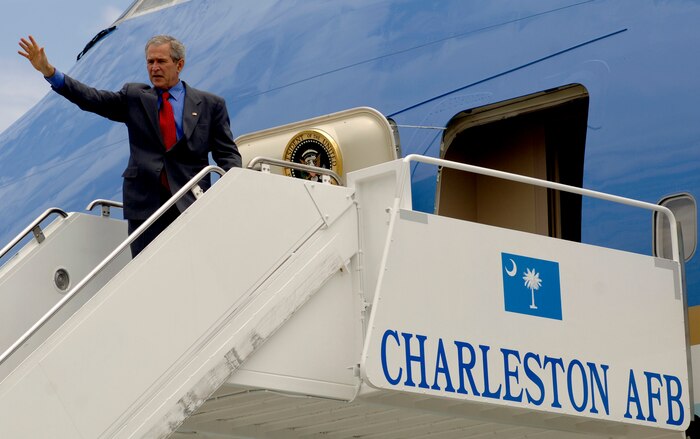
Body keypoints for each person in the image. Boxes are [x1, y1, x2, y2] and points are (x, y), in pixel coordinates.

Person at [18, 35, 242, 257]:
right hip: (145, 205)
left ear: (179, 64)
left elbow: (227, 154)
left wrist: (231, 192)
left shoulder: (211, 105)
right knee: (146, 274)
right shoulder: (135, 97)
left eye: (161, 61)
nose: (154, 67)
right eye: (150, 62)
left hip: (191, 199)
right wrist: (49, 72)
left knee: (194, 267)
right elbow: (92, 98)